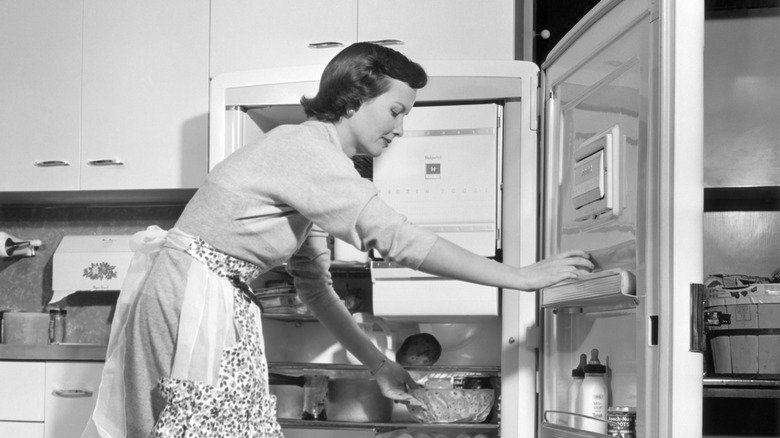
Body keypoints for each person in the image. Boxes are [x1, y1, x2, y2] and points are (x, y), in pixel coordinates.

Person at [85, 42, 593, 438]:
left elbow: (315, 287)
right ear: (354, 99)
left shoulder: (312, 167)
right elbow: (399, 239)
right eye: (396, 111)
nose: (401, 129)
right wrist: (521, 278)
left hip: (203, 295)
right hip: (187, 295)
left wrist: (379, 364)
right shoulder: (304, 150)